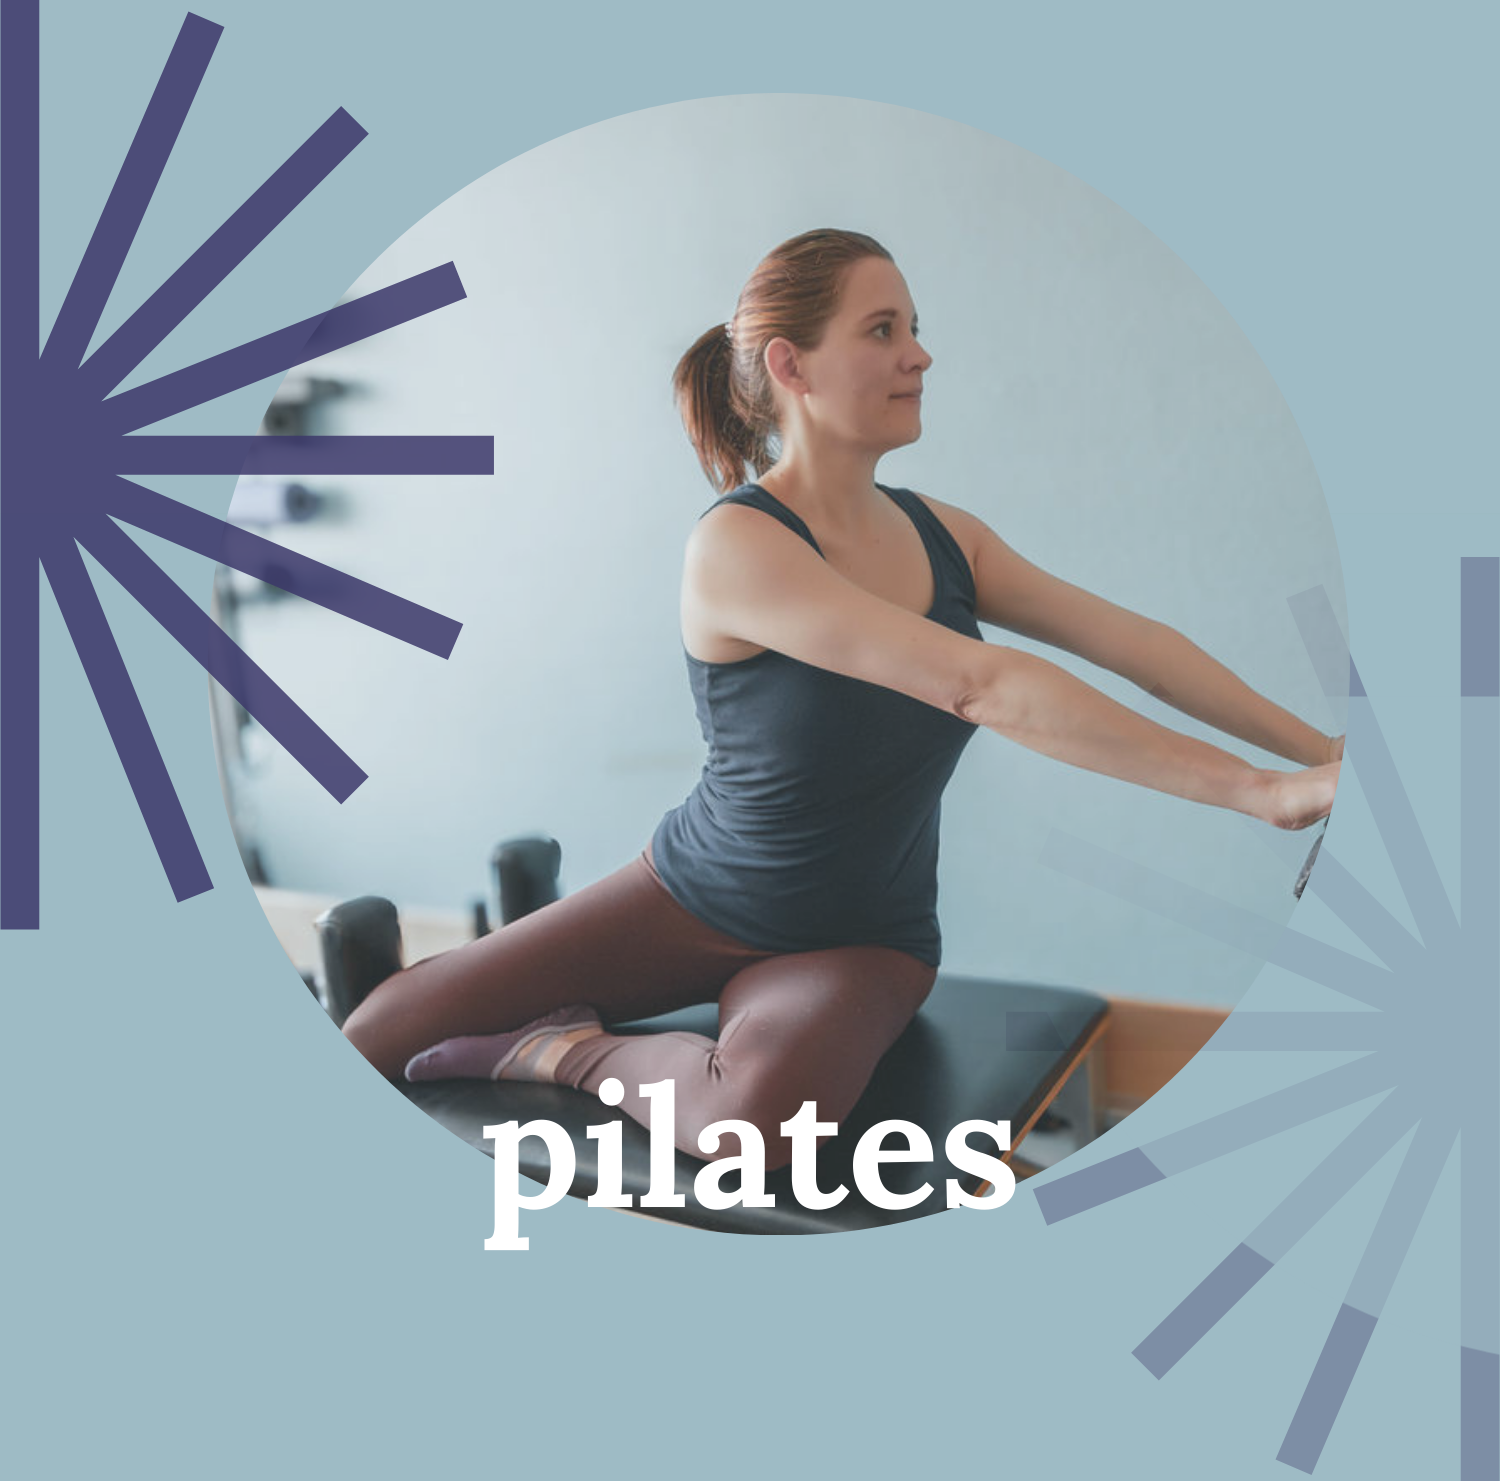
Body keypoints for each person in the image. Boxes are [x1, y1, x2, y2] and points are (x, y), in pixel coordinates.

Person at [341, 228, 1342, 1171]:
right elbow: (978, 682)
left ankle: (566, 1049)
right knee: (374, 1038)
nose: (920, 356)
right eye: (883, 330)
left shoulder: (949, 538)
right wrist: (1259, 794)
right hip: (691, 897)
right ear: (791, 366)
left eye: (913, 327)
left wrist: (1322, 757)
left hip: (864, 937)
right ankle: (567, 1038)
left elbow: (1141, 648)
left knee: (752, 1128)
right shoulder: (737, 546)